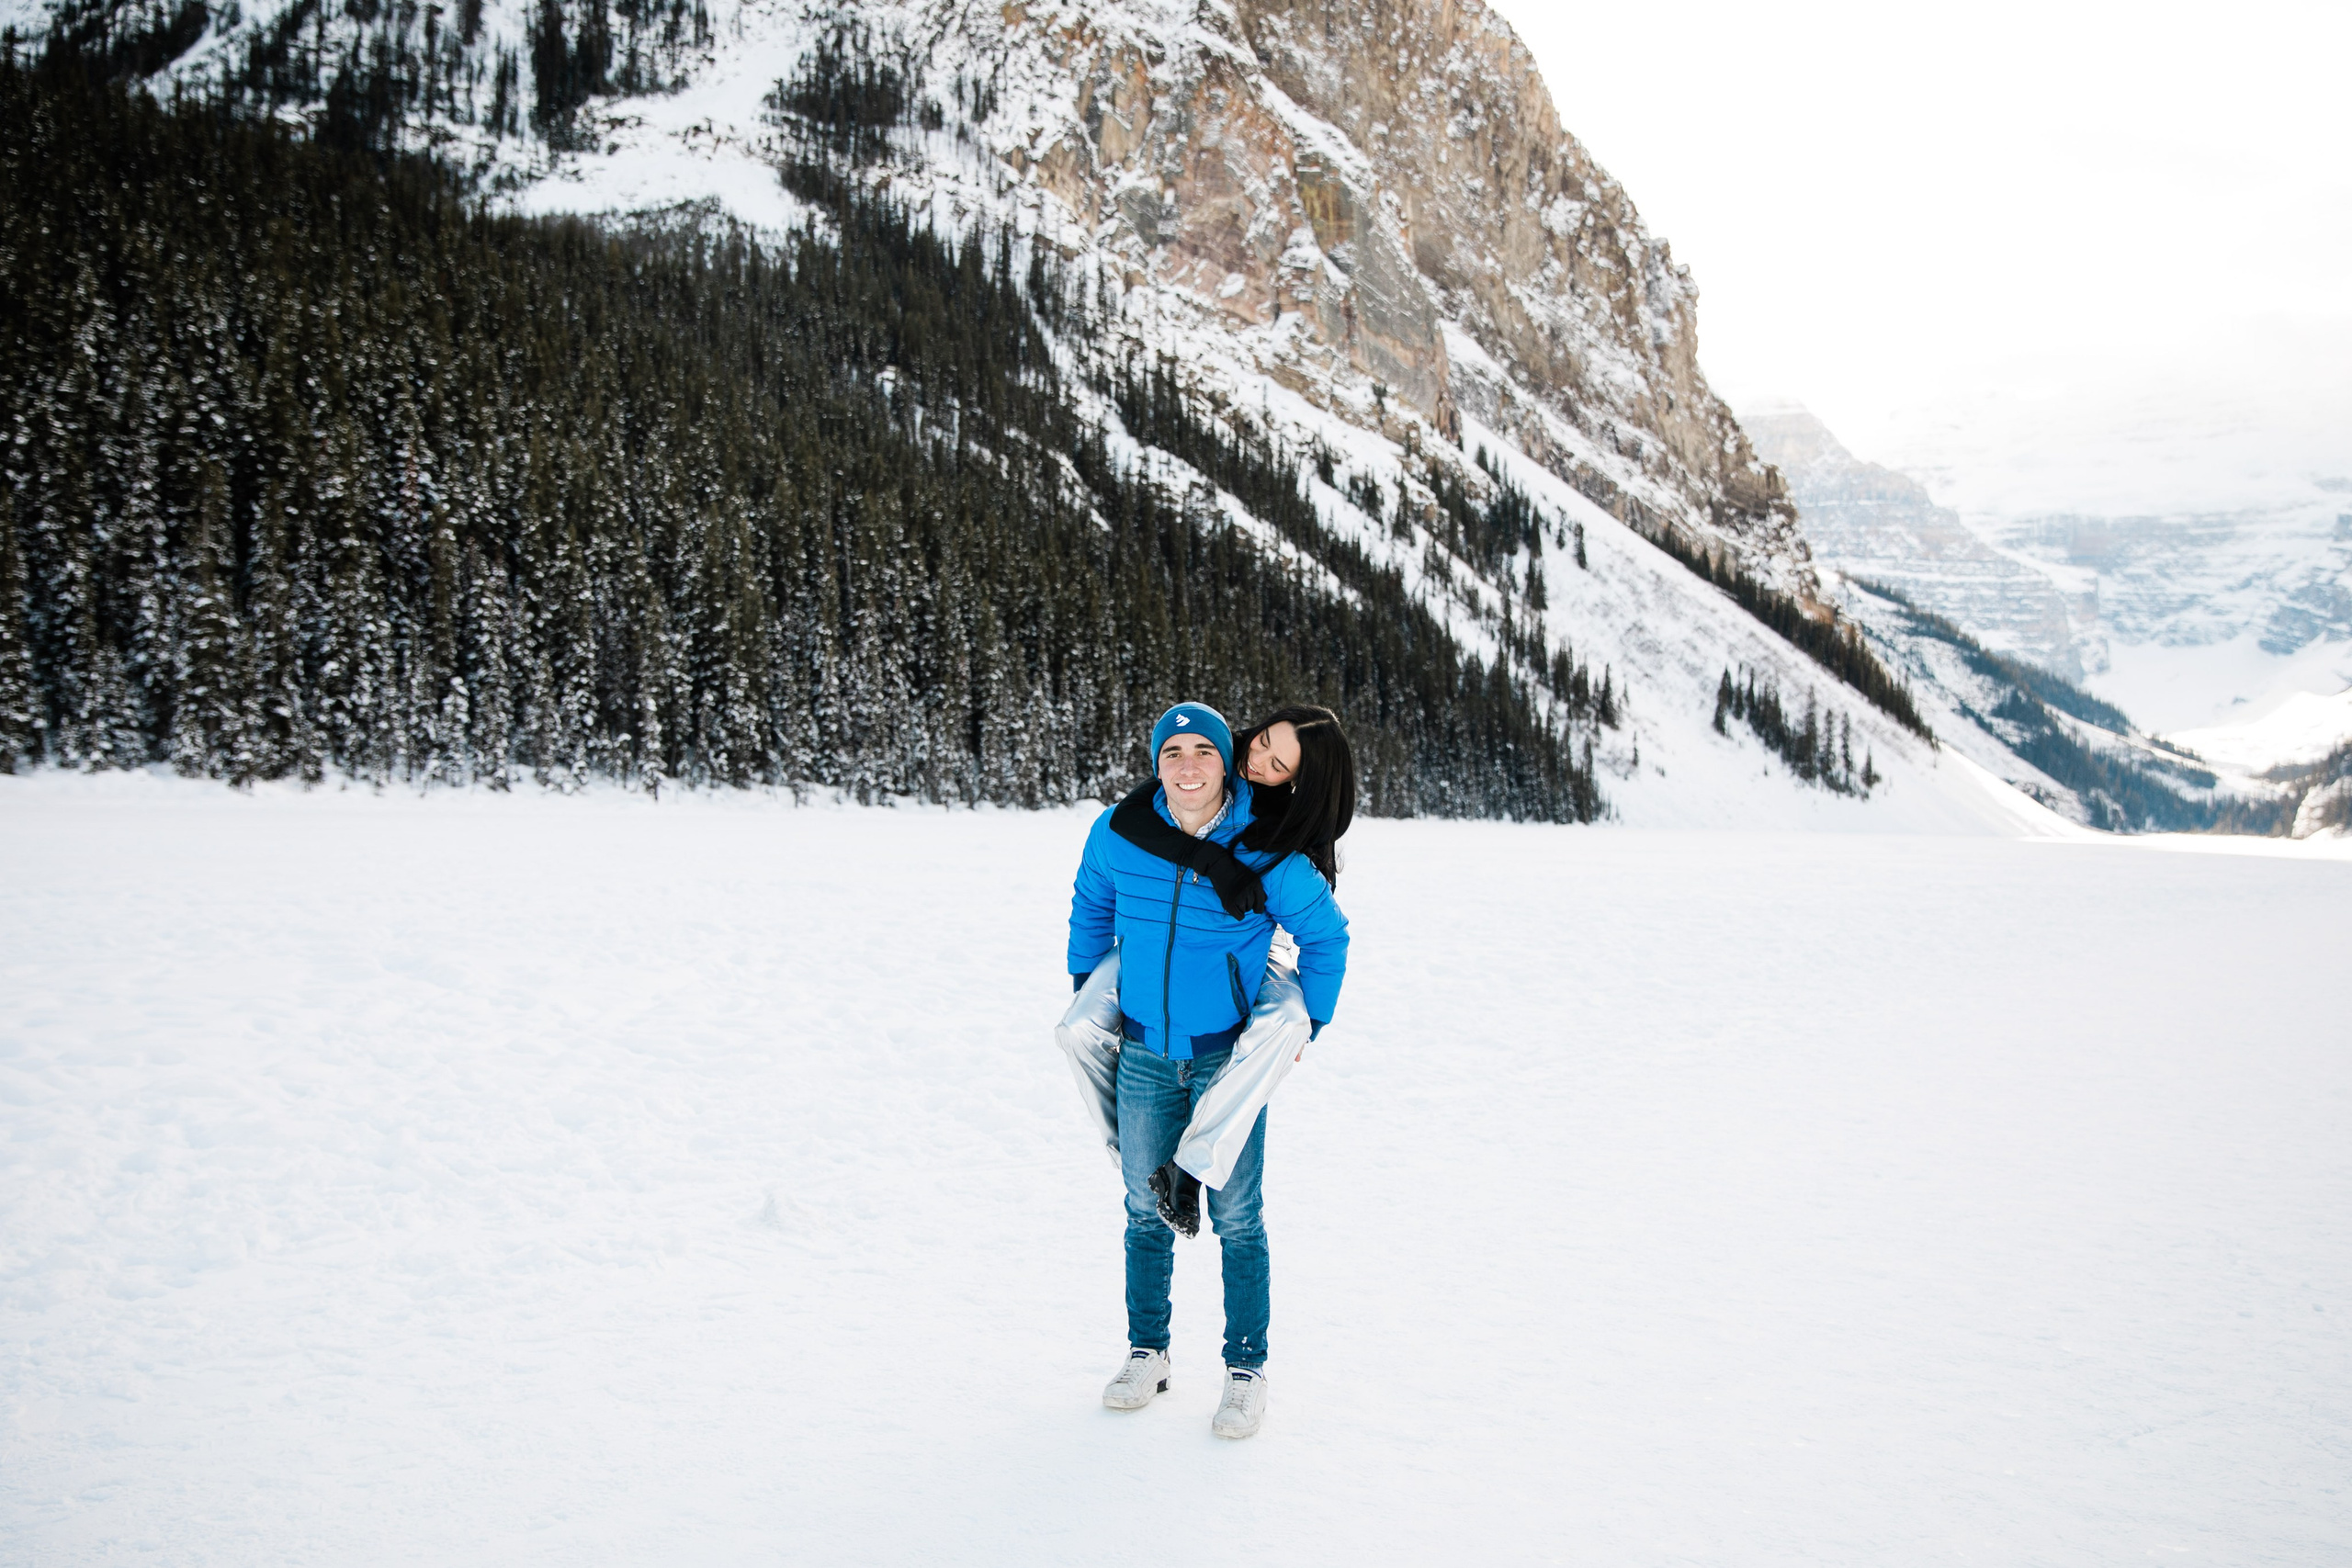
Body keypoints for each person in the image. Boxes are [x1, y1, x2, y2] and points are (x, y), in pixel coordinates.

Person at [1066, 702, 1351, 1439]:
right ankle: (1147, 1352)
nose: (1188, 764)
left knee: (1237, 1217)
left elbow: (1326, 934)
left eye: (1204, 751)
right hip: (1143, 1054)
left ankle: (1246, 1369)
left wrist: (1308, 1023)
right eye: (1173, 752)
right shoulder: (1118, 831)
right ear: (1156, 760)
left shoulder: (1267, 848)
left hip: (1226, 1058)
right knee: (1142, 1206)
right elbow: (1091, 904)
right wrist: (1084, 989)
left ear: (1226, 762)